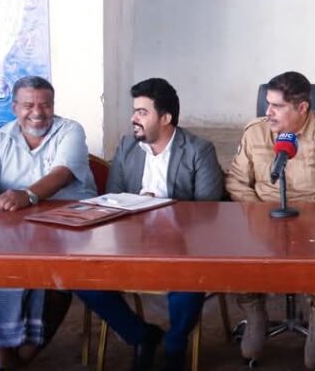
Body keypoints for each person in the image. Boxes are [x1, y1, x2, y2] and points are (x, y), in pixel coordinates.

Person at [75, 78, 223, 371]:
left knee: (190, 279)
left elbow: (208, 211)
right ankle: (141, 335)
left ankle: (175, 345)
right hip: (131, 243)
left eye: (142, 112)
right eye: (134, 111)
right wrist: (135, 206)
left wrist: (161, 206)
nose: (134, 118)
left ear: (165, 118)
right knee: (80, 277)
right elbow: (112, 198)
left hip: (181, 246)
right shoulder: (127, 147)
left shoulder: (198, 150)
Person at [224, 71, 315, 369]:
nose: (268, 112)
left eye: (277, 106)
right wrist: (259, 215)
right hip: (262, 219)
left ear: (302, 107)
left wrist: (307, 218)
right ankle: (254, 312)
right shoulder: (255, 132)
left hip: (314, 223)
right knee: (233, 251)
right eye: (267, 103)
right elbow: (236, 181)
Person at [0, 76, 95, 370]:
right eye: (28, 105)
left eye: (45, 105)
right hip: (9, 231)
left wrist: (28, 194)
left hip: (65, 228)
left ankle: (16, 360)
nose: (38, 112)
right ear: (14, 107)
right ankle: (2, 356)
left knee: (51, 284)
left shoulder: (70, 130)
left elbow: (62, 174)